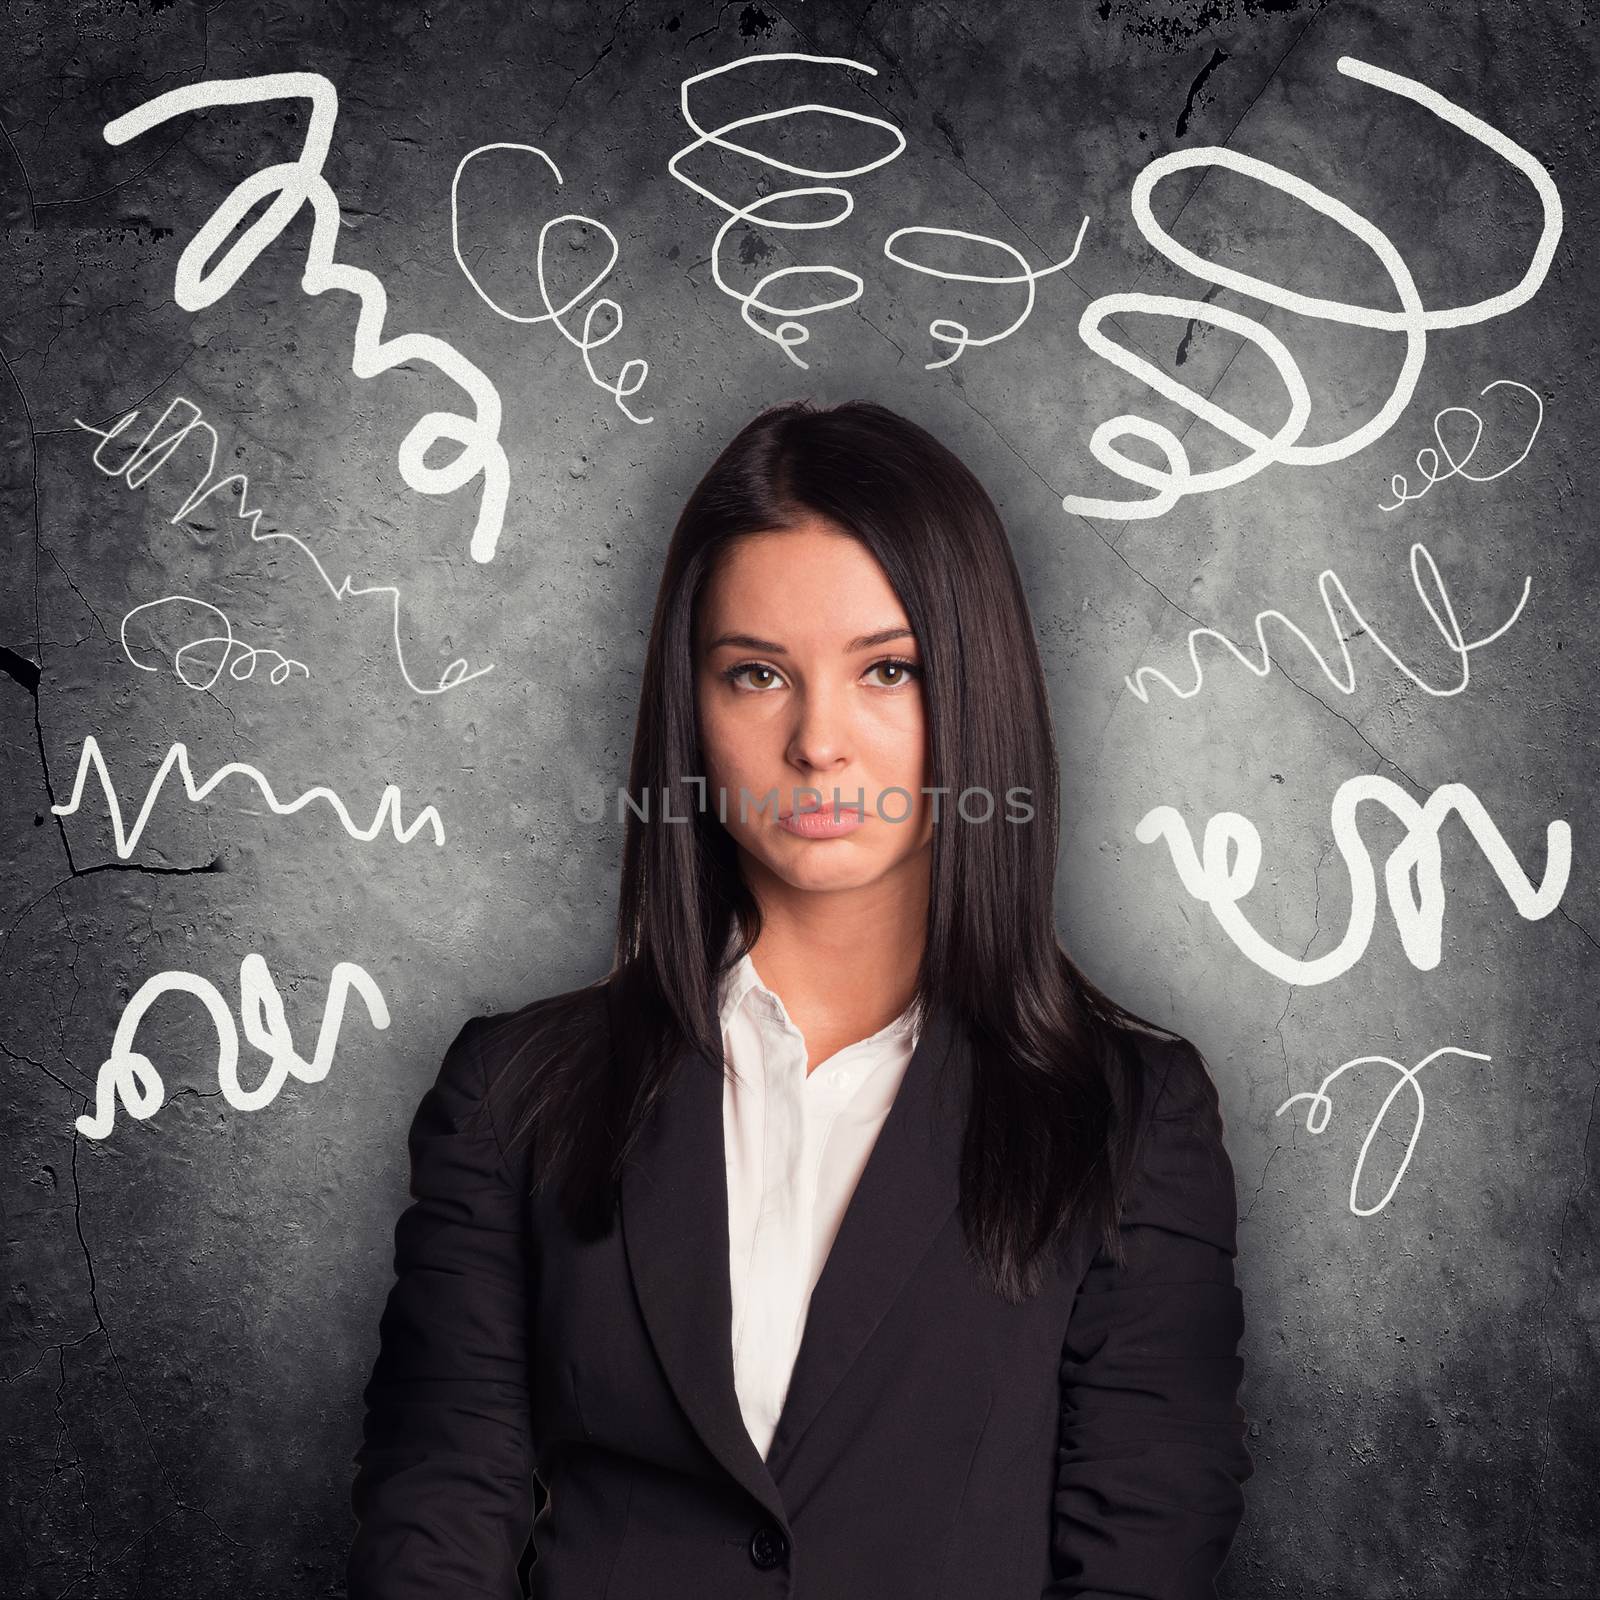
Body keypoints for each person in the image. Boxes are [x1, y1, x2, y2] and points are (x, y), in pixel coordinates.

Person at [346, 398, 1255, 1599]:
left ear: (973, 696)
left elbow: (1143, 1549)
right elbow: (437, 1511)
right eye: (757, 674)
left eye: (887, 669)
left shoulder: (1132, 1118)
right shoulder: (512, 1093)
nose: (818, 741)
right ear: (694, 712)